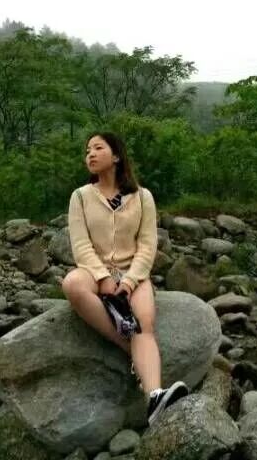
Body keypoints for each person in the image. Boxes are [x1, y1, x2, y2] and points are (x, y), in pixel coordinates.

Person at [61, 131, 189, 425]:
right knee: (72, 284)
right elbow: (80, 245)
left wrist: (129, 283)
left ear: (116, 156)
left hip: (134, 272)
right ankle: (131, 348)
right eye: (87, 151)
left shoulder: (143, 197)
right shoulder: (80, 196)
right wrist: (103, 278)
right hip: (94, 270)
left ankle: (154, 396)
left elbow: (147, 246)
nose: (90, 154)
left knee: (144, 322)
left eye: (98, 148)